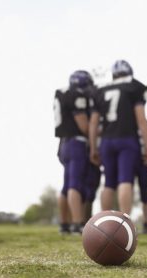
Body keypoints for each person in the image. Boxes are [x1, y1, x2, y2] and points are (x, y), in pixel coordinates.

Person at [89, 60, 147, 215]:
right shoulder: (135, 86)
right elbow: (141, 121)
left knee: (109, 183)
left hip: (107, 140)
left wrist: (93, 148)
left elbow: (93, 123)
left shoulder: (100, 90)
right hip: (127, 139)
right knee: (125, 180)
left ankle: (103, 223)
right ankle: (126, 221)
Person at [54, 70, 94, 234]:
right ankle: (77, 223)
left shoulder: (61, 93)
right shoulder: (76, 95)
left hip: (64, 142)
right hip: (76, 143)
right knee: (75, 185)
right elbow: (84, 126)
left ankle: (64, 224)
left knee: (66, 185)